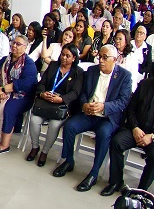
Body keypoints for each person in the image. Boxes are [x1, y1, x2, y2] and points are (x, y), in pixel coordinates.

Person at [53, 44, 133, 192]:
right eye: (99, 57)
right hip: (89, 113)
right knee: (70, 126)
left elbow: (123, 101)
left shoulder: (124, 76)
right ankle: (68, 161)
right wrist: (84, 105)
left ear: (115, 60)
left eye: (105, 58)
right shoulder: (91, 71)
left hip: (107, 117)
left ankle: (94, 173)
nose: (101, 60)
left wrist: (104, 107)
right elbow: (83, 93)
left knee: (103, 134)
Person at [104, 54, 154, 195]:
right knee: (116, 142)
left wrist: (152, 136)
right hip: (136, 129)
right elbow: (131, 108)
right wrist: (135, 127)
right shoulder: (145, 84)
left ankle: (140, 192)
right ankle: (116, 182)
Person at [26, 44, 83, 167]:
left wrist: (61, 99)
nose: (64, 58)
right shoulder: (53, 65)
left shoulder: (78, 72)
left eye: (68, 56)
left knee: (54, 125)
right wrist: (42, 93)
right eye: (62, 54)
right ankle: (35, 147)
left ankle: (45, 152)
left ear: (74, 58)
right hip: (45, 102)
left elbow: (75, 92)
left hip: (61, 106)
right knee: (34, 120)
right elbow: (42, 83)